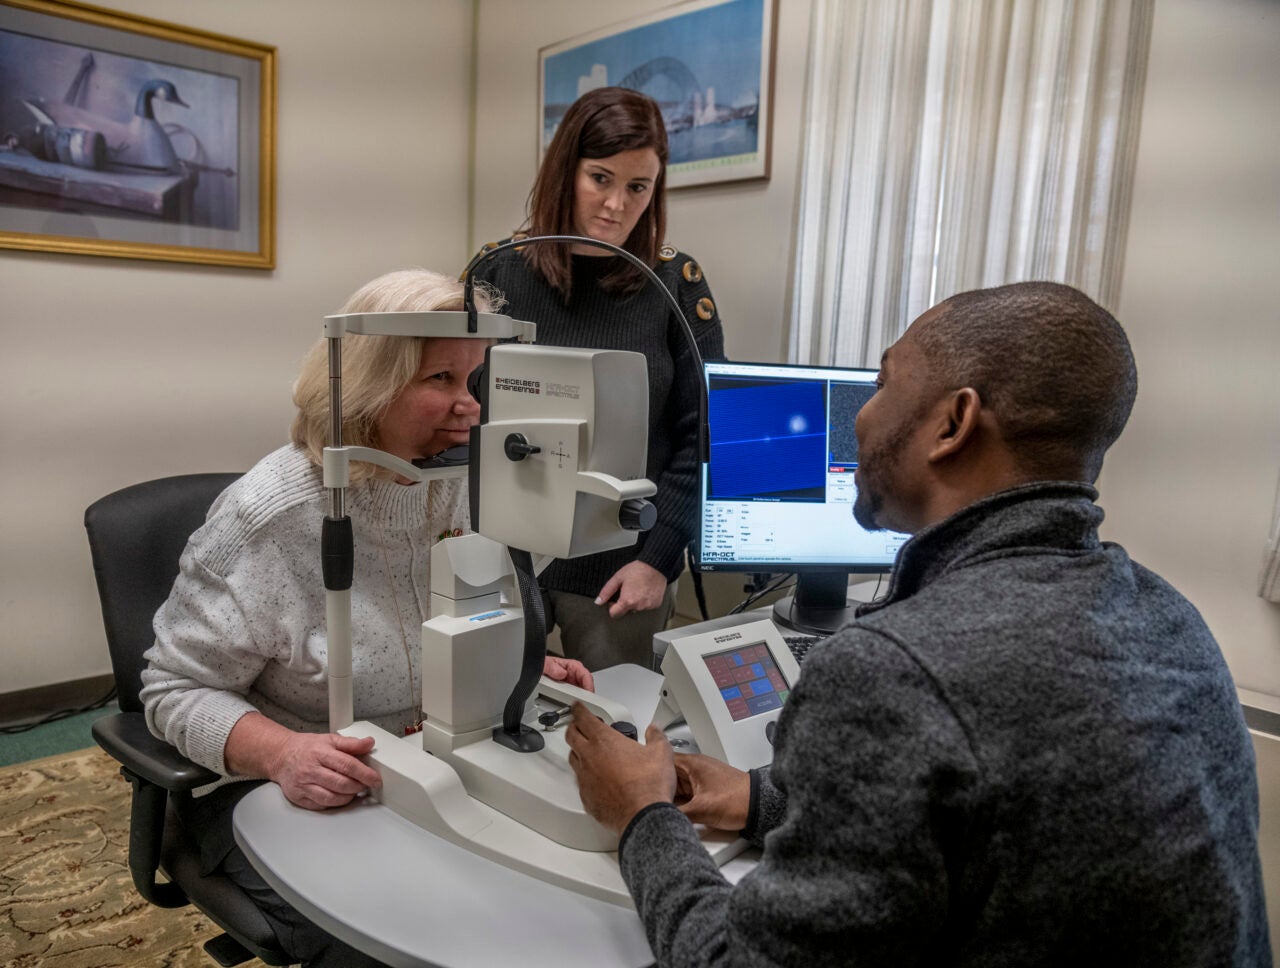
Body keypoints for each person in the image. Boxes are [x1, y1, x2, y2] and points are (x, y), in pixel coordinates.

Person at [565, 281, 1271, 966]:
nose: (862, 416)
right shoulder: (1174, 620)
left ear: (953, 424)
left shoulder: (891, 671)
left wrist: (641, 815)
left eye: (881, 383)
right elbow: (995, 828)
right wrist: (759, 799)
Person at [141, 268, 593, 968]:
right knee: (396, 946)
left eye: (475, 382)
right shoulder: (269, 517)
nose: (468, 408)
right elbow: (171, 692)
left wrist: (522, 667)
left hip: (436, 765)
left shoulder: (462, 486)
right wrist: (282, 753)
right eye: (439, 380)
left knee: (544, 910)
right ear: (368, 384)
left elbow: (470, 617)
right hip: (286, 790)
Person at [469, 85, 726, 671]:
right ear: (567, 173)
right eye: (600, 179)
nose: (616, 205)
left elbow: (703, 437)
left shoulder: (674, 283)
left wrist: (660, 560)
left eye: (638, 187)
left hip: (624, 568)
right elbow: (464, 418)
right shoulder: (497, 272)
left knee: (615, 727)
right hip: (505, 554)